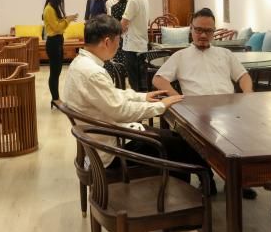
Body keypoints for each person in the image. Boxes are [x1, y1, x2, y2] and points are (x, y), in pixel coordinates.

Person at [63, 14, 216, 192]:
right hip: (112, 151)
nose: (119, 46)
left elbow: (111, 96)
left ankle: (192, 187)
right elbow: (121, 111)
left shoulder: (80, 64)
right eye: (118, 41)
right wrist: (161, 106)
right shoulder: (93, 73)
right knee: (181, 146)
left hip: (104, 138)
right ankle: (185, 199)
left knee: (175, 139)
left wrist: (142, 97)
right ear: (107, 42)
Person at [152, 7, 256, 199]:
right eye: (198, 30)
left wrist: (248, 95)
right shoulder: (180, 56)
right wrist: (178, 98)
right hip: (197, 111)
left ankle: (237, 179)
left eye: (208, 31)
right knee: (194, 137)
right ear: (191, 29)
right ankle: (206, 177)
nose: (202, 35)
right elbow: (158, 79)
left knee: (247, 132)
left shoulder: (225, 54)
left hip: (229, 108)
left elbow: (243, 76)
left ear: (214, 32)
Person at [43, 0, 78, 107]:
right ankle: (55, 99)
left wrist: (66, 19)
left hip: (58, 41)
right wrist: (68, 20)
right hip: (53, 42)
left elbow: (58, 23)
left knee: (57, 71)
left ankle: (56, 98)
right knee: (54, 72)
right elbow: (57, 27)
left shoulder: (53, 8)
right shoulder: (49, 9)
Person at [121, 0, 149, 91]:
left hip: (132, 46)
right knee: (142, 82)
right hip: (142, 45)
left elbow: (123, 24)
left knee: (134, 83)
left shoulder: (133, 0)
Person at [110, 0, 128, 65]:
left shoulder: (114, 7)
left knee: (120, 61)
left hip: (119, 36)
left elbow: (114, 25)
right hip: (130, 36)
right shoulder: (130, 5)